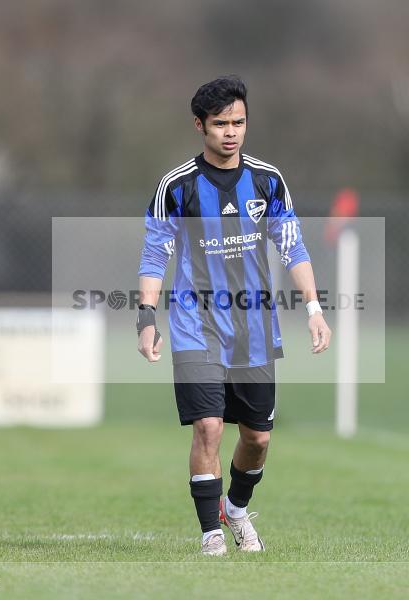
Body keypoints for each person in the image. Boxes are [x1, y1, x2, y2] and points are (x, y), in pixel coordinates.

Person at [136, 75, 331, 556]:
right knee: (208, 428)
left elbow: (292, 246)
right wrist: (145, 317)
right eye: (220, 123)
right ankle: (210, 534)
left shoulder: (267, 180)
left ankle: (237, 509)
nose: (231, 132)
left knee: (259, 438)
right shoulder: (176, 186)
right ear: (199, 125)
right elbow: (154, 254)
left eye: (239, 122)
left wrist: (313, 307)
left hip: (254, 329)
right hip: (193, 323)